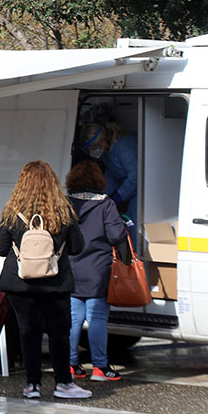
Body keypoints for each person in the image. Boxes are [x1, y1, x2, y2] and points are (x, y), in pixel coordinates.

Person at [0, 160, 91, 400]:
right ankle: (63, 384)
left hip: (20, 284)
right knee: (59, 333)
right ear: (52, 184)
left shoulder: (13, 213)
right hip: (55, 284)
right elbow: (77, 247)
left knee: (28, 332)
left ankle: (32, 385)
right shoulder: (63, 212)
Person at [66, 161, 129, 382]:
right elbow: (116, 236)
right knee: (97, 318)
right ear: (99, 181)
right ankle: (100, 367)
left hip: (71, 268)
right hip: (97, 270)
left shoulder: (66, 204)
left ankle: (71, 365)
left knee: (74, 319)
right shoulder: (106, 204)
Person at [79, 122, 138, 226]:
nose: (93, 153)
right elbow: (112, 175)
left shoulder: (124, 146)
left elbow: (135, 177)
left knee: (133, 224)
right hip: (131, 190)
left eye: (93, 149)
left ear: (102, 142)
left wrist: (118, 197)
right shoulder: (107, 152)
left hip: (141, 190)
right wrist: (101, 197)